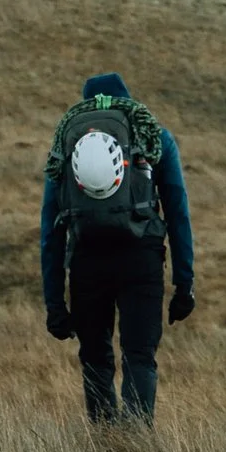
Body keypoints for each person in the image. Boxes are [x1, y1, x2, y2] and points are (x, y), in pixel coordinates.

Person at [39, 70, 194, 425]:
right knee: (139, 356)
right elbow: (178, 211)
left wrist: (54, 302)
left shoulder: (67, 139)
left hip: (86, 259)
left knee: (95, 357)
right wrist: (184, 284)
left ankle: (105, 446)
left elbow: (51, 227)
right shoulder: (153, 135)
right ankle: (137, 446)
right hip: (141, 257)